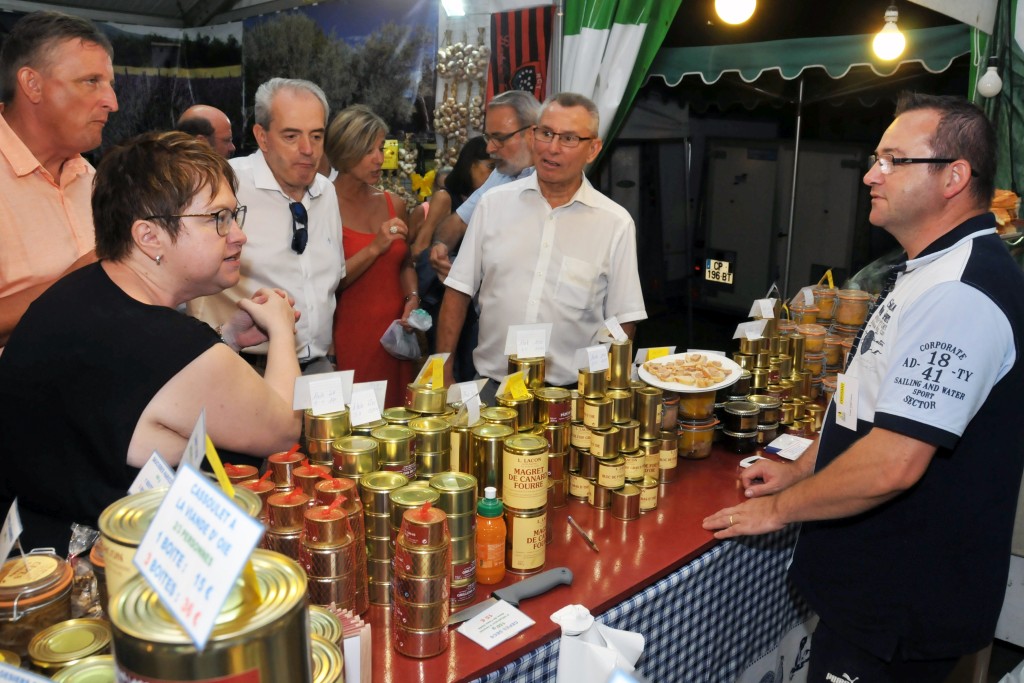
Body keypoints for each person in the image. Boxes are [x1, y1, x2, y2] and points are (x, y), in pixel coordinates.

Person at [703, 93, 1024, 682]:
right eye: (877, 158)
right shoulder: (930, 267)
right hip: (876, 591)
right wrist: (803, 470)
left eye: (893, 160)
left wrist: (777, 511)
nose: (872, 175)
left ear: (954, 177)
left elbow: (893, 464)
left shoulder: (960, 291)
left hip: (899, 601)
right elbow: (870, 403)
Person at [0, 131, 302, 551]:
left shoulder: (78, 293)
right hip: (102, 571)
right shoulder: (165, 345)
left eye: (235, 216)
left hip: (32, 556)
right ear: (149, 237)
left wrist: (226, 339)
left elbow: (137, 393)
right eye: (218, 218)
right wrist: (282, 330)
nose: (238, 235)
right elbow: (282, 432)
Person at [436, 92, 647, 395]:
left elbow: (623, 322)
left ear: (592, 149)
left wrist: (606, 393)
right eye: (546, 133)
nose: (553, 148)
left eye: (569, 138)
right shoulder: (493, 204)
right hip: (492, 389)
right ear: (533, 136)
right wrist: (443, 370)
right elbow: (458, 291)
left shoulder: (615, 223)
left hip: (571, 396)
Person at [188, 78, 343, 374]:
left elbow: (328, 289)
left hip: (317, 369)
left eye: (316, 136)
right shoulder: (223, 184)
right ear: (262, 137)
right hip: (242, 368)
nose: (308, 149)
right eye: (291, 136)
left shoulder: (326, 192)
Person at [0, 10, 118, 350]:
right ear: (32, 84)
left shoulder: (92, 179)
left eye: (110, 84)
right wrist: (77, 283)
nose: (112, 103)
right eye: (91, 81)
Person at [326, 105, 416, 408]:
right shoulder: (322, 206)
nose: (380, 158)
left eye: (381, 148)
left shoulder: (394, 203)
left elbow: (405, 263)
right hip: (350, 339)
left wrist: (412, 298)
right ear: (345, 151)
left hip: (396, 340)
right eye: (369, 151)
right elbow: (325, 284)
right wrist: (374, 247)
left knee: (398, 425)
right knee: (355, 426)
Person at [427, 90, 540, 281]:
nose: (489, 148)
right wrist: (441, 246)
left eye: (499, 138)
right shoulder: (501, 174)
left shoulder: (552, 182)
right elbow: (460, 221)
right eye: (488, 138)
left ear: (531, 134)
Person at [408, 136, 493, 380]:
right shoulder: (446, 198)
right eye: (490, 167)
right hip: (443, 295)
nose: (493, 175)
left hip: (474, 302)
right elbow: (420, 247)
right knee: (449, 367)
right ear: (470, 164)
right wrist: (445, 257)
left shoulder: (490, 200)